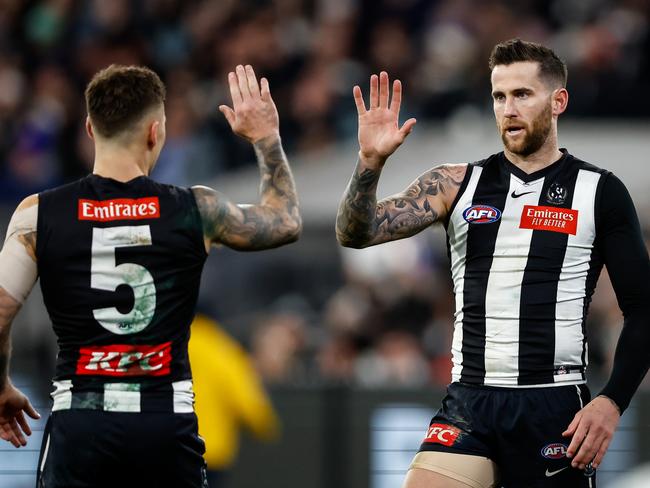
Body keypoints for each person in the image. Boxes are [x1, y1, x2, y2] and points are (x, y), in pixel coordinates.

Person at [336, 38, 650, 488]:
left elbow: (643, 308)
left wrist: (613, 401)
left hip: (554, 406)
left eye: (522, 94)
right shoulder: (454, 183)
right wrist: (369, 163)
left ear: (558, 100)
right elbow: (355, 233)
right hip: (470, 402)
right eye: (499, 97)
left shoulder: (599, 191)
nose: (508, 108)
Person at [0, 63, 301, 487]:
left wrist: (1, 385)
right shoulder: (196, 210)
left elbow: (0, 310)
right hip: (164, 422)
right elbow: (285, 221)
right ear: (155, 132)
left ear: (89, 128)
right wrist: (266, 137)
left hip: (81, 420)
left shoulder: (38, 213)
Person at [188, 314, 280, 488]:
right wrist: (265, 425)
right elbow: (249, 402)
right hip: (211, 453)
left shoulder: (165, 345)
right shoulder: (221, 348)